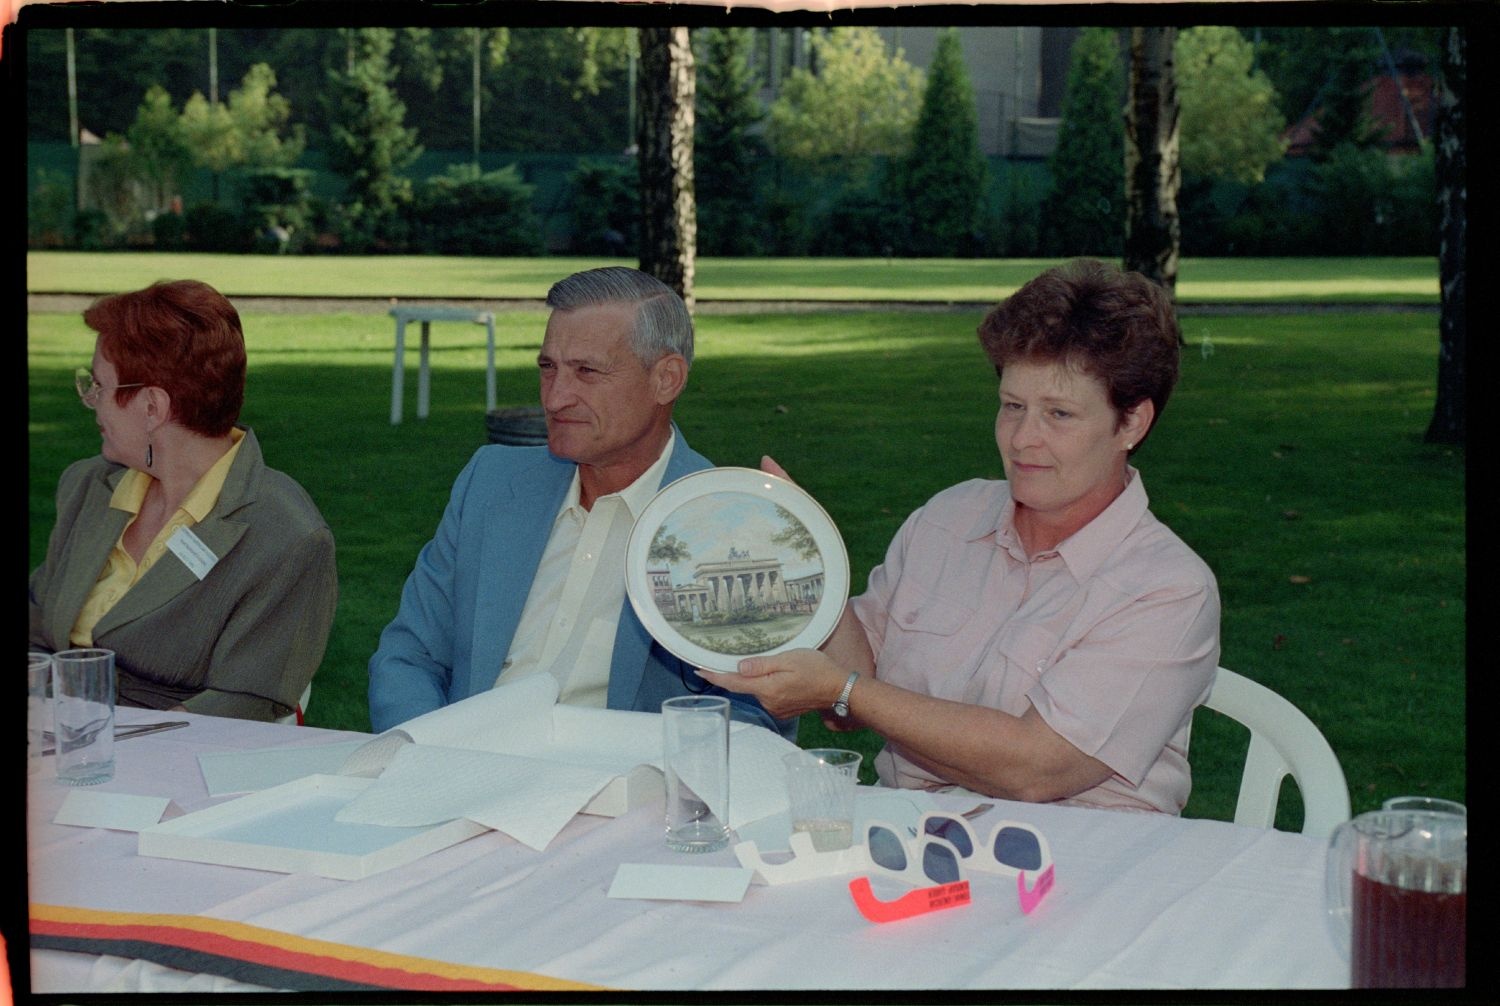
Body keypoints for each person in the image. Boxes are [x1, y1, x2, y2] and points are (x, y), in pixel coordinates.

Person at [707, 259, 1220, 813]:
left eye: (1060, 415)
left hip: (1082, 868)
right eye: (1012, 406)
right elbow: (853, 693)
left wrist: (842, 689)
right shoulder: (948, 520)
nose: (1024, 439)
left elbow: (1035, 768)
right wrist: (809, 557)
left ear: (1131, 424)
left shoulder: (1167, 590)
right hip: (908, 846)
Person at [368, 267, 793, 739]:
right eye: (547, 367)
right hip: (459, 769)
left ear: (666, 379)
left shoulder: (729, 525)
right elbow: (409, 655)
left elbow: (756, 721)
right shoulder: (491, 483)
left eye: (586, 372)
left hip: (619, 793)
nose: (555, 398)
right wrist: (424, 758)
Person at [29, 280, 337, 721]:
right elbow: (39, 626)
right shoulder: (88, 486)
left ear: (153, 407)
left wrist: (109, 740)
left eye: (99, 385)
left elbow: (248, 700)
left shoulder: (287, 535)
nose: (90, 401)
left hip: (172, 755)